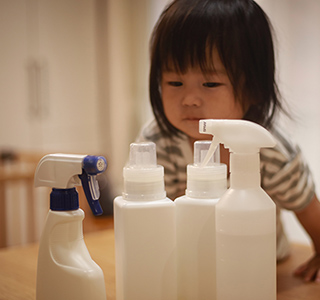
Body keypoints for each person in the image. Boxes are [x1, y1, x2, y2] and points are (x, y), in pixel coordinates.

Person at [136, 0, 320, 282]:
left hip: (263, 266)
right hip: (190, 267)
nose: (189, 99)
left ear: (253, 88)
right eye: (175, 82)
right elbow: (150, 218)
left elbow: (307, 207)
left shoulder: (270, 149)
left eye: (210, 84)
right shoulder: (158, 142)